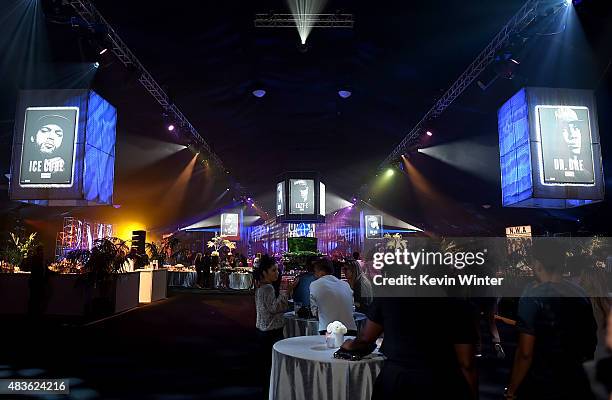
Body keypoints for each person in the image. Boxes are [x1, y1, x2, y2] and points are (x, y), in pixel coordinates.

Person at [505, 239, 597, 400]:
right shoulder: (580, 292)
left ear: (537, 264)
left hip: (543, 383)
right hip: (577, 381)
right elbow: (590, 340)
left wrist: (511, 391)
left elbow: (525, 353)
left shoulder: (532, 295)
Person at [342, 297, 478, 399]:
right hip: (442, 381)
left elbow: (366, 337)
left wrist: (350, 344)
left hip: (397, 380)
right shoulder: (457, 302)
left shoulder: (390, 294)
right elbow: (466, 362)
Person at [254, 255, 298, 398]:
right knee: (272, 366)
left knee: (266, 366)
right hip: (271, 332)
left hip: (263, 331)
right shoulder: (267, 288)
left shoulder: (262, 287)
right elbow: (275, 307)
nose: (277, 273)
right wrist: (286, 291)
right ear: (265, 272)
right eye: (273, 270)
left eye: (277, 270)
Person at [309, 257, 357, 335]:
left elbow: (314, 312)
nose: (314, 275)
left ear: (321, 272)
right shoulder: (345, 284)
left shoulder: (314, 284)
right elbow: (352, 307)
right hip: (351, 329)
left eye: (315, 272)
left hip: (328, 331)